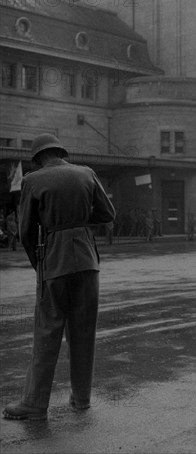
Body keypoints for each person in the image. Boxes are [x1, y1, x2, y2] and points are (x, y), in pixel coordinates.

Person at [2, 134, 115, 421]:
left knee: (47, 333)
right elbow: (107, 213)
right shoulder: (86, 173)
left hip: (54, 261)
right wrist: (77, 222)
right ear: (61, 153)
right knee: (83, 332)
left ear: (38, 158)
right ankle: (82, 398)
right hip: (88, 261)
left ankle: (35, 404)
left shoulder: (33, 180)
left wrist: (40, 264)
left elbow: (27, 231)